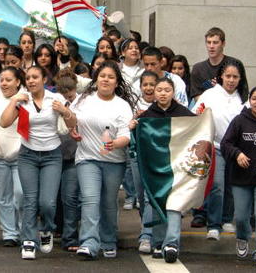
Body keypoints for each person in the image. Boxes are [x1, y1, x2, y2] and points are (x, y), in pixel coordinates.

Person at [0, 65, 75, 260]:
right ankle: (28, 240)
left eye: (35, 77)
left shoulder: (55, 99)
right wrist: (14, 101)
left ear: (44, 80)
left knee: (48, 202)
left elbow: (72, 124)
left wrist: (65, 112)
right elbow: (4, 122)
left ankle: (47, 230)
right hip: (28, 155)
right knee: (30, 200)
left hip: (52, 155)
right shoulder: (22, 99)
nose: (31, 81)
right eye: (28, 78)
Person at [69, 61, 135, 260]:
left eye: (111, 77)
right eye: (102, 76)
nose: (105, 79)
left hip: (114, 161)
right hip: (87, 158)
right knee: (90, 198)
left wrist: (114, 143)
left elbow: (127, 135)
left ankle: (108, 240)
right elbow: (71, 119)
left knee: (108, 202)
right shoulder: (83, 99)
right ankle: (89, 242)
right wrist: (72, 130)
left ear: (117, 82)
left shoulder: (122, 106)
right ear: (96, 79)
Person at [132, 77, 195, 263]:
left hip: (177, 167)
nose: (162, 93)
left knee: (174, 203)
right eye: (159, 89)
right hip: (154, 168)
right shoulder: (146, 116)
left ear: (173, 92)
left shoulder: (185, 114)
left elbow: (197, 132)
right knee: (156, 202)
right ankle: (159, 243)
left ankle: (172, 243)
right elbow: (137, 142)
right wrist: (133, 127)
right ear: (154, 92)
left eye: (167, 90)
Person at [192, 60, 249, 240]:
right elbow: (196, 114)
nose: (231, 80)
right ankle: (214, 224)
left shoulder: (243, 98)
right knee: (217, 185)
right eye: (228, 76)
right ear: (221, 77)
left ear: (240, 79)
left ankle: (226, 219)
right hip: (215, 147)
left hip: (236, 149)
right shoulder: (209, 94)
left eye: (235, 77)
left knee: (231, 186)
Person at [221, 86, 256, 267]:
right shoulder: (239, 121)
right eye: (254, 98)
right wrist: (237, 154)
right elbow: (226, 143)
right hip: (240, 177)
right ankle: (242, 237)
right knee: (240, 217)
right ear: (249, 100)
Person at [0, 66, 25, 247]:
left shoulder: (26, 99)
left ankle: (24, 230)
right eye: (2, 79)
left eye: (8, 80)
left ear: (18, 82)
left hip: (21, 158)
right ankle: (9, 232)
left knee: (21, 195)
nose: (4, 83)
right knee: (2, 197)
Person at [129, 70, 158, 254]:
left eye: (152, 84)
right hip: (136, 155)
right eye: (145, 84)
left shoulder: (164, 104)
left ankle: (146, 234)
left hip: (156, 158)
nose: (148, 88)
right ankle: (145, 223)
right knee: (141, 196)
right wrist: (132, 123)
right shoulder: (131, 105)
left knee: (149, 197)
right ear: (140, 88)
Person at [55, 70, 80, 251]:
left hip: (75, 156)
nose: (68, 97)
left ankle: (70, 237)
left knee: (70, 197)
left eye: (70, 93)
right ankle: (57, 229)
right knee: (53, 198)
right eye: (64, 94)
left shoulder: (83, 103)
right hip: (54, 155)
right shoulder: (53, 103)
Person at [190, 27, 243, 102]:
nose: (211, 46)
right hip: (207, 109)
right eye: (208, 42)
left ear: (223, 44)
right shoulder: (198, 69)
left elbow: (243, 92)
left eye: (215, 42)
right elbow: (198, 99)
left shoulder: (235, 64)